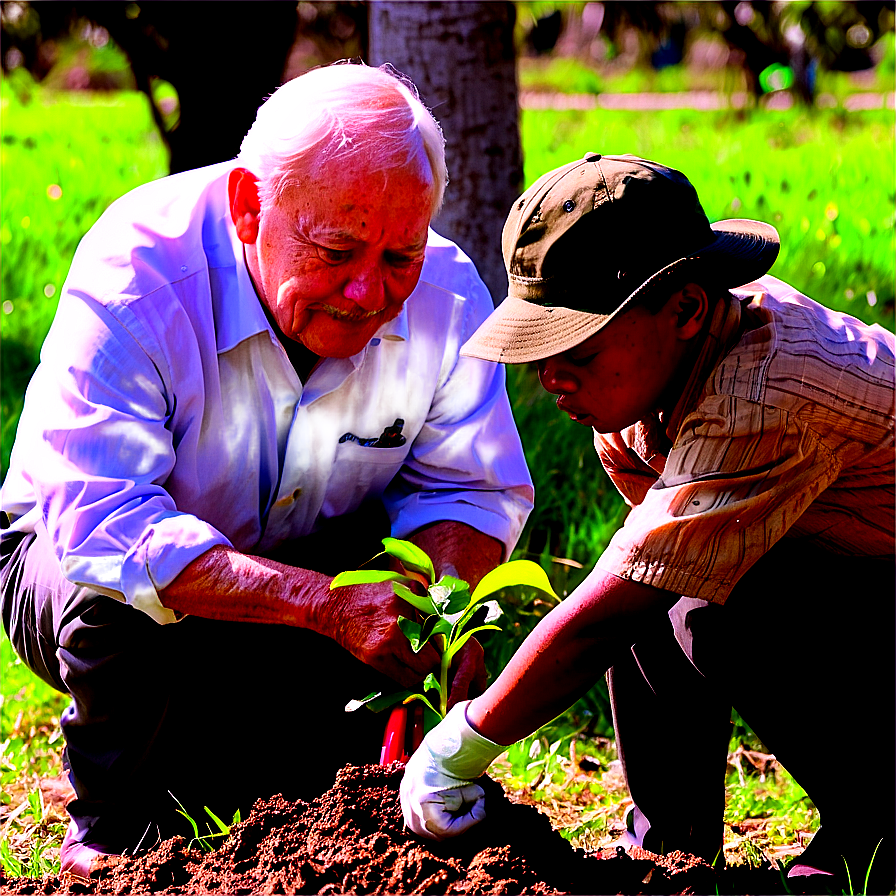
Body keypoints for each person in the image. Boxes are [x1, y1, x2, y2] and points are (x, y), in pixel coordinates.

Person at [0, 62, 534, 877]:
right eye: (337, 251)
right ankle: (114, 828)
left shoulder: (448, 296)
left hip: (310, 561)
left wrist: (448, 605)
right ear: (251, 206)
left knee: (290, 794)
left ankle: (286, 777)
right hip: (74, 566)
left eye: (400, 255)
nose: (368, 291)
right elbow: (102, 525)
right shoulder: (142, 275)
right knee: (118, 601)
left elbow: (466, 485)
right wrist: (323, 607)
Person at [399, 153, 895, 892]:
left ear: (687, 308)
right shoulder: (651, 378)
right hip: (855, 577)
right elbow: (639, 585)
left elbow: (613, 608)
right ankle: (672, 851)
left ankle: (878, 820)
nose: (554, 378)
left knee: (697, 604)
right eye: (541, 353)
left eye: (578, 351)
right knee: (658, 595)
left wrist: (463, 744)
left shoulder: (763, 389)